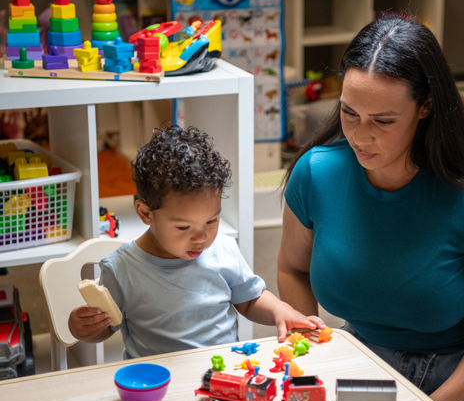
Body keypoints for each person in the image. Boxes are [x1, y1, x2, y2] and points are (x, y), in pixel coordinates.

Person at [278, 14, 464, 401]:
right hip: (362, 355)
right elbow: (293, 270)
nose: (360, 135)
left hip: (461, 370)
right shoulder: (317, 172)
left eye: (384, 120)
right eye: (349, 113)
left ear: (426, 107)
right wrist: (309, 350)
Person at [69, 125, 325, 359]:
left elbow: (249, 300)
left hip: (222, 374)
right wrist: (84, 328)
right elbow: (106, 328)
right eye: (183, 227)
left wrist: (281, 310)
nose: (201, 238)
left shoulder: (223, 249)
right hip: (158, 383)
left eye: (211, 221)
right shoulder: (120, 269)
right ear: (146, 214)